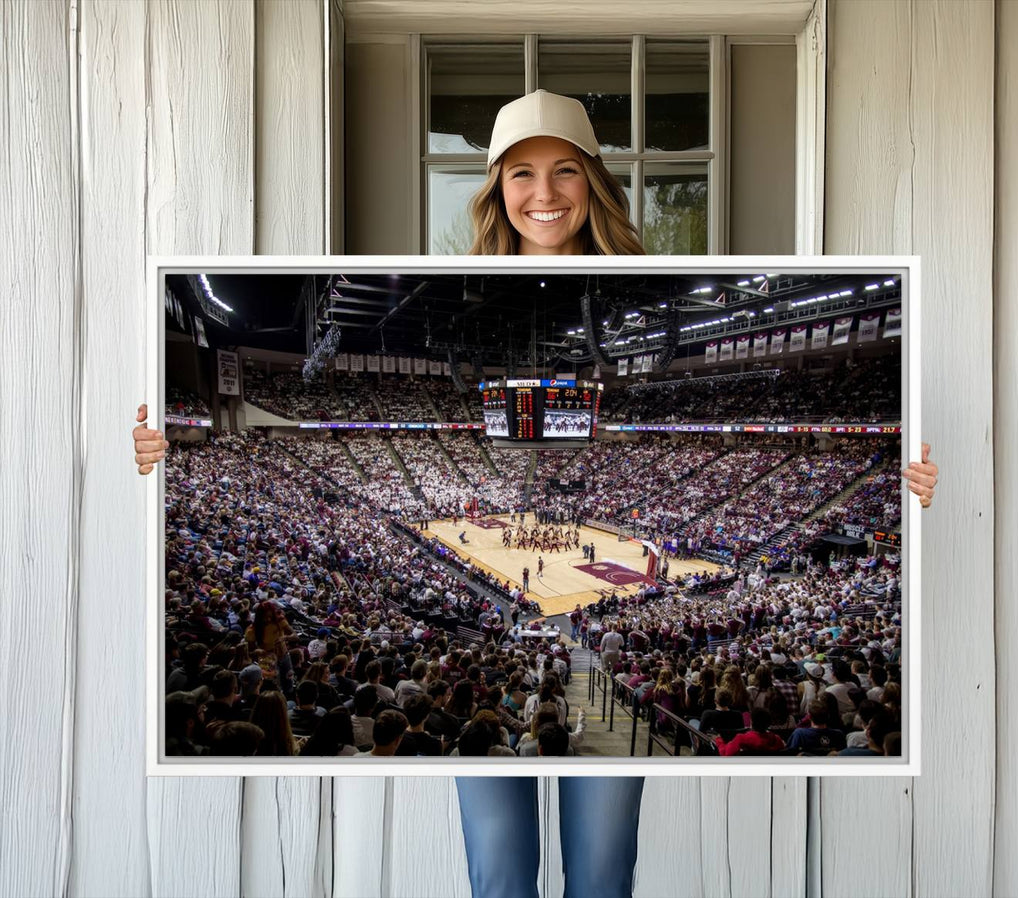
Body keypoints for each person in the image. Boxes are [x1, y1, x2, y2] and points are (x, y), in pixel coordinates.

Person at [134, 88, 939, 898]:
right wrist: (157, 457)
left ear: (595, 180)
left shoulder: (663, 276)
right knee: (501, 877)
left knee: (600, 876)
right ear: (494, 188)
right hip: (522, 690)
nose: (544, 193)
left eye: (564, 171)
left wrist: (916, 486)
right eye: (520, 173)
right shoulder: (443, 272)